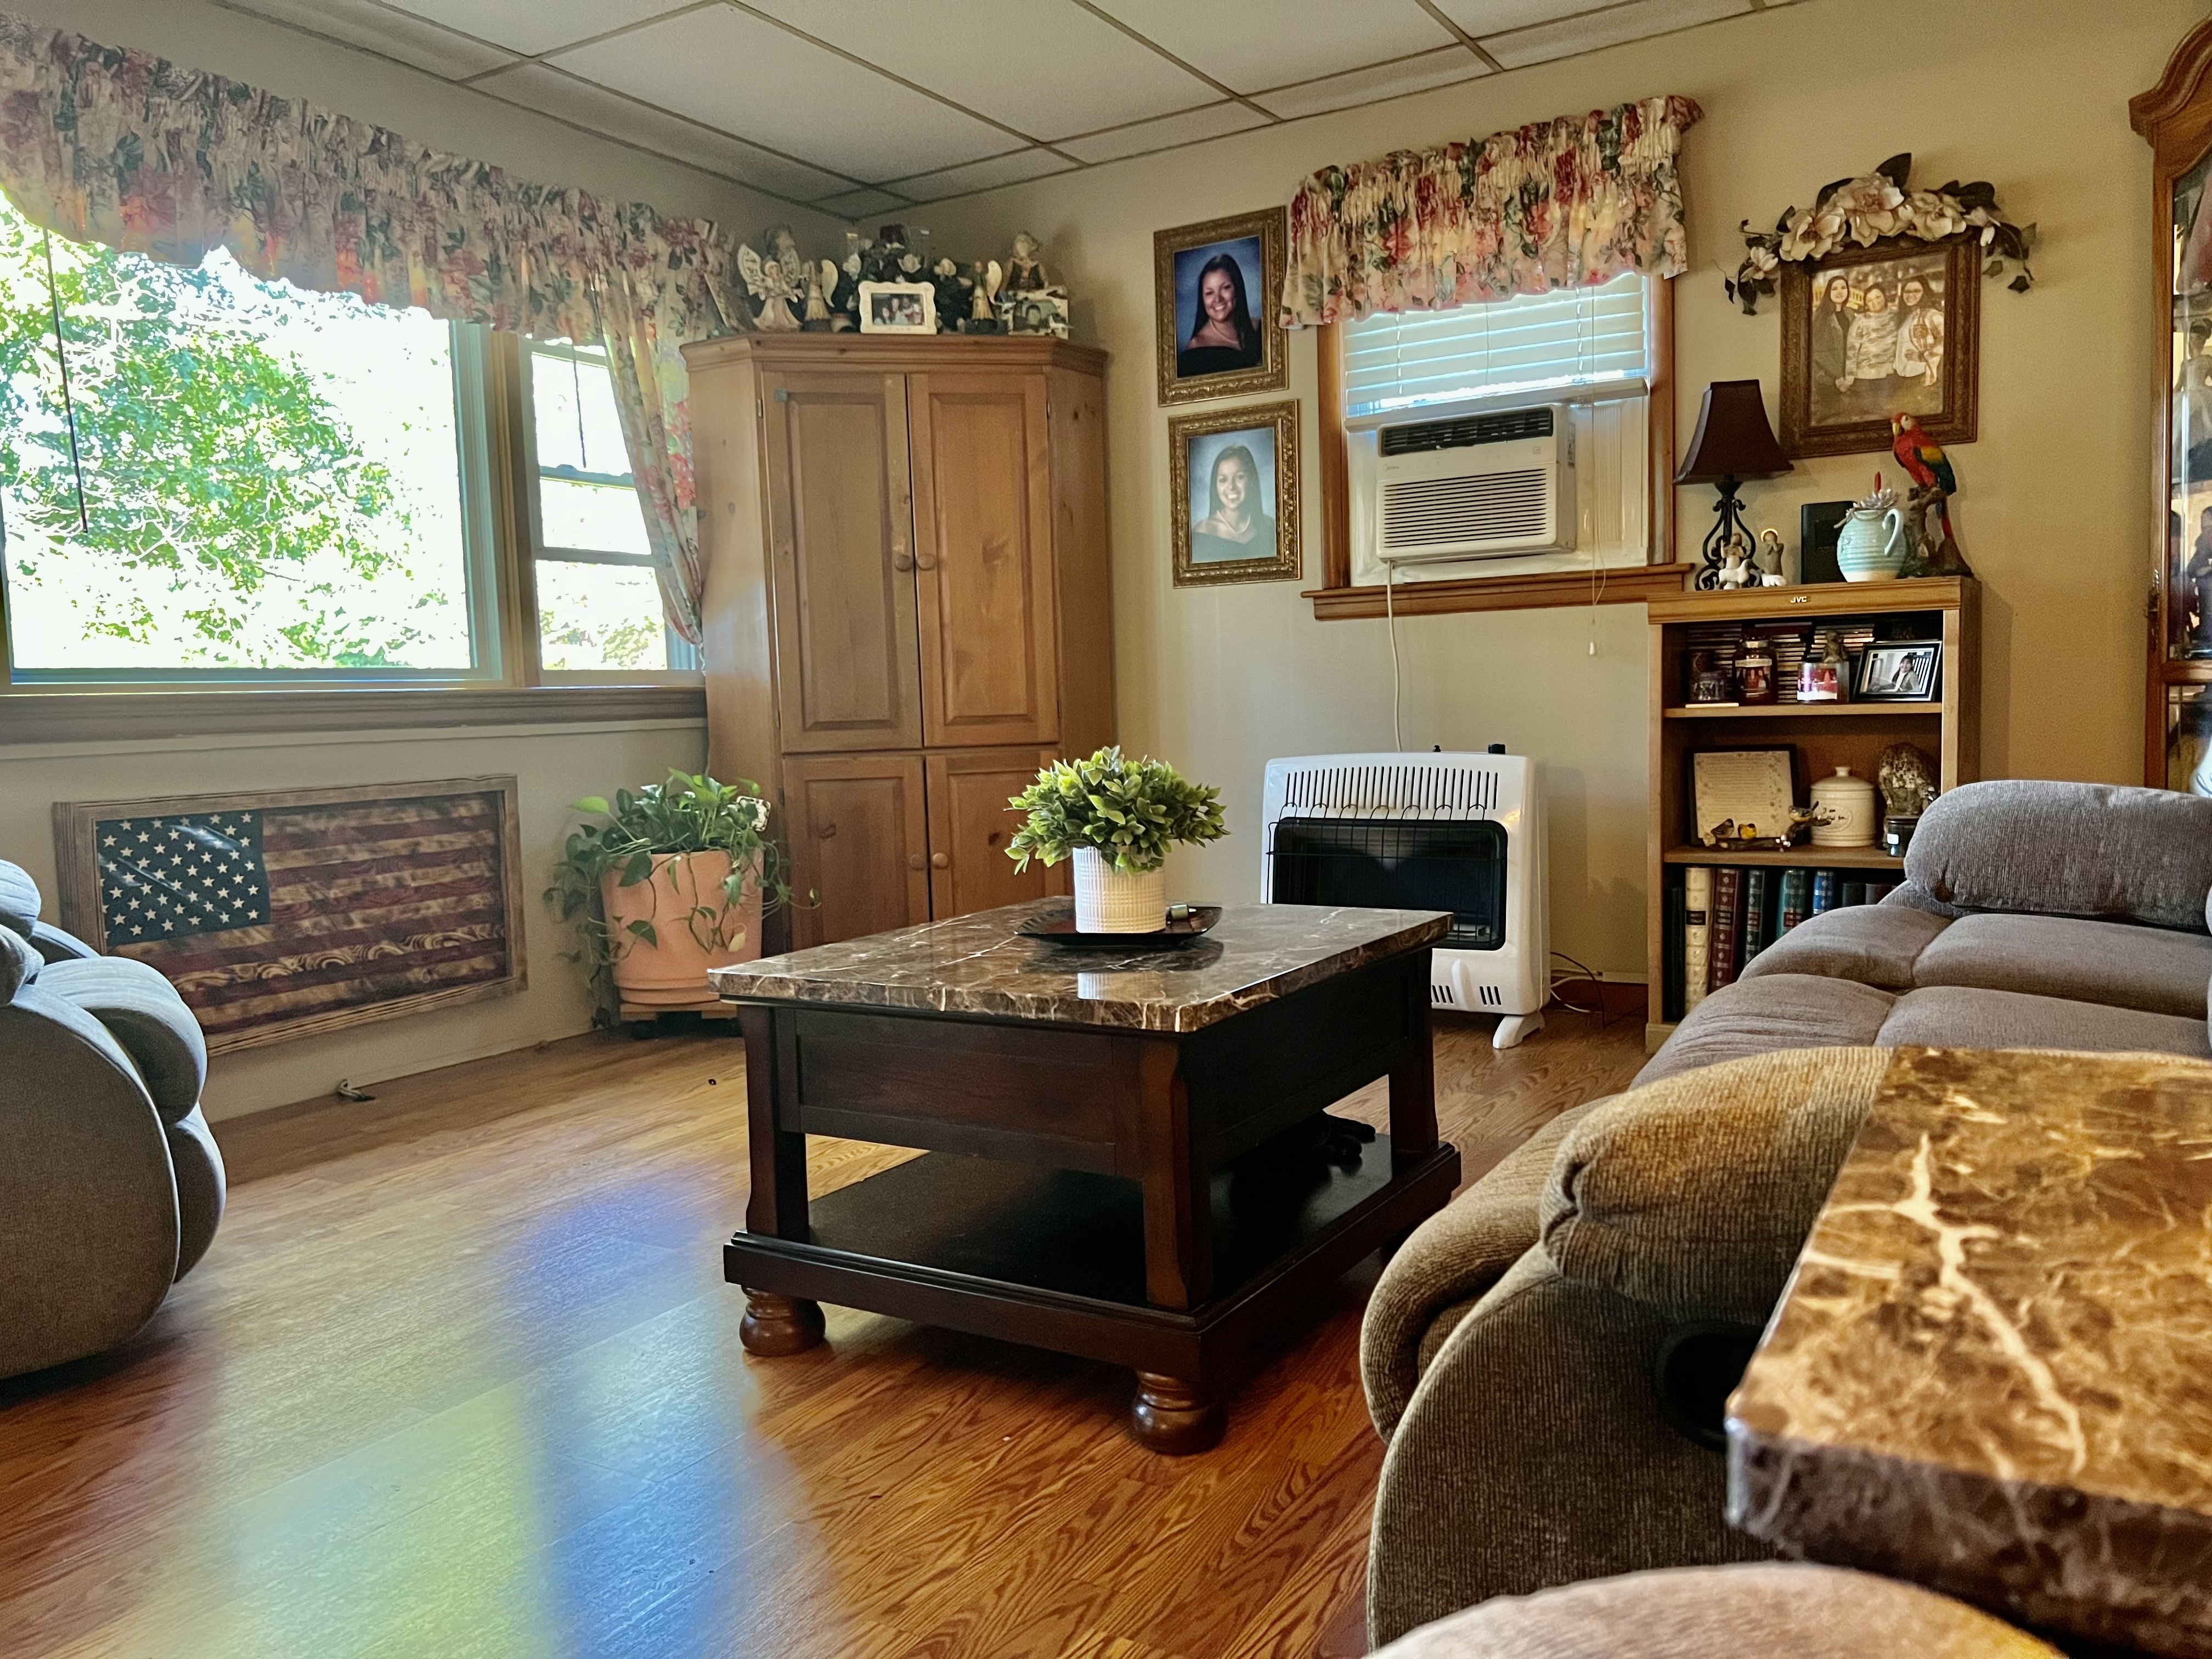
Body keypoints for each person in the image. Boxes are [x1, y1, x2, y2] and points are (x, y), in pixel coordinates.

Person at [1177, 251, 1262, 377]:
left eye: (1225, 288)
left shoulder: (1262, 329)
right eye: (1209, 293)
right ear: (1202, 299)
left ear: (1237, 288)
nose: (1218, 300)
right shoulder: (1194, 354)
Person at [1190, 442, 1273, 563]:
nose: (1231, 487)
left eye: (1240, 477)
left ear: (1252, 481)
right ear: (1215, 486)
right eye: (1223, 480)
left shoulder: (1269, 526)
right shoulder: (1200, 534)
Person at [1841, 281, 1899, 392]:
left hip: (1889, 375)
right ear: (1866, 304)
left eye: (1878, 297)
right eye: (1869, 300)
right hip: (1864, 378)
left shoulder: (1896, 316)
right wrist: (1849, 379)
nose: (1875, 302)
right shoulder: (1860, 320)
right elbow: (1852, 352)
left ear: (1885, 297)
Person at [1893, 274, 1944, 387]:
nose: (1911, 295)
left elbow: (1947, 340)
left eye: (1916, 291)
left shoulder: (1931, 315)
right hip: (1902, 376)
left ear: (1925, 293)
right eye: (1907, 292)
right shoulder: (1905, 317)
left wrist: (1923, 356)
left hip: (1921, 376)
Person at [1810, 273, 1853, 396]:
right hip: (1828, 376)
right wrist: (1838, 375)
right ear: (1828, 292)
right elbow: (1818, 350)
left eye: (1843, 288)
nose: (1840, 292)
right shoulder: (1821, 315)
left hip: (1847, 374)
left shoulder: (1849, 313)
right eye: (1835, 289)